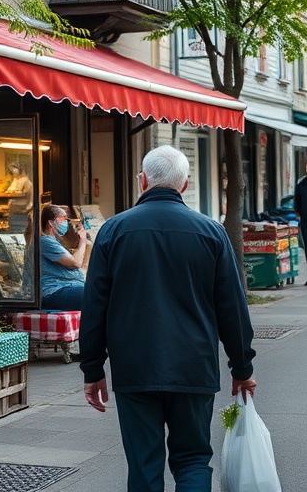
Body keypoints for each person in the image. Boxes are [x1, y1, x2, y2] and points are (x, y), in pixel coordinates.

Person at [80, 145, 256, 492]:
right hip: (194, 366)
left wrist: (92, 369)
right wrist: (242, 367)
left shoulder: (113, 232)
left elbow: (95, 305)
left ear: (143, 181)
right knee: (193, 459)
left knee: (143, 466)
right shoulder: (211, 233)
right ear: (185, 184)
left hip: (135, 367)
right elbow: (232, 307)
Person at [39, 204, 87, 310]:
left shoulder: (55, 242)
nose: (66, 222)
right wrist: (83, 241)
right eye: (63, 219)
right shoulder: (45, 242)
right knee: (91, 294)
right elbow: (76, 263)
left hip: (67, 287)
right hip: (54, 291)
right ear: (50, 222)